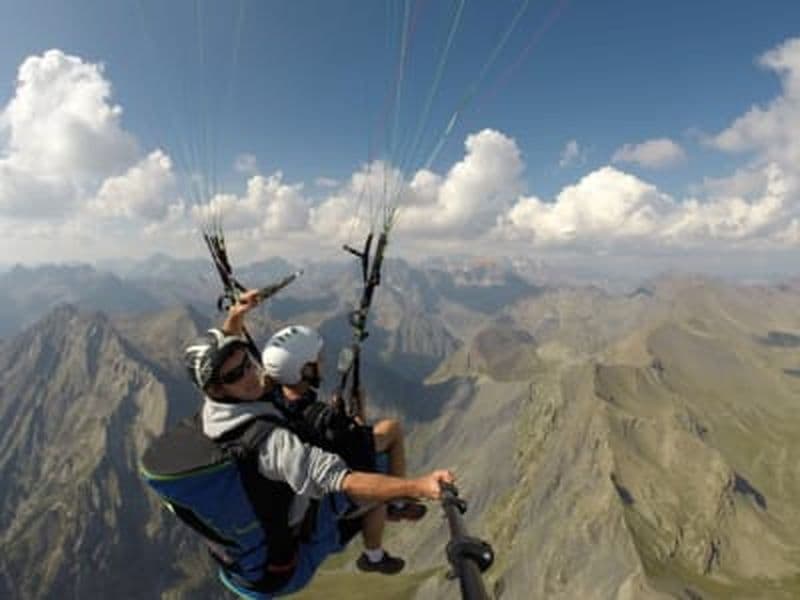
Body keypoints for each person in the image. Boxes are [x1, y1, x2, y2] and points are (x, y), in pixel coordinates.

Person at [144, 290, 454, 599]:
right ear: (215, 388)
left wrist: (236, 317)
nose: (252, 375)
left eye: (249, 363)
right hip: (290, 565)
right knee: (376, 470)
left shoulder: (218, 405)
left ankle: (385, 518)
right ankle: (376, 549)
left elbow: (227, 357)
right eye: (237, 374)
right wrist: (418, 487)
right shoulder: (272, 444)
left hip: (242, 570)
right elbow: (342, 481)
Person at [261, 322, 427, 573]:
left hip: (294, 494)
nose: (323, 362)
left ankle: (380, 540)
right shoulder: (322, 420)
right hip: (322, 507)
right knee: (390, 435)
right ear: (305, 369)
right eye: (318, 360)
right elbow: (363, 461)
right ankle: (388, 525)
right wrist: (359, 415)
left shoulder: (270, 400)